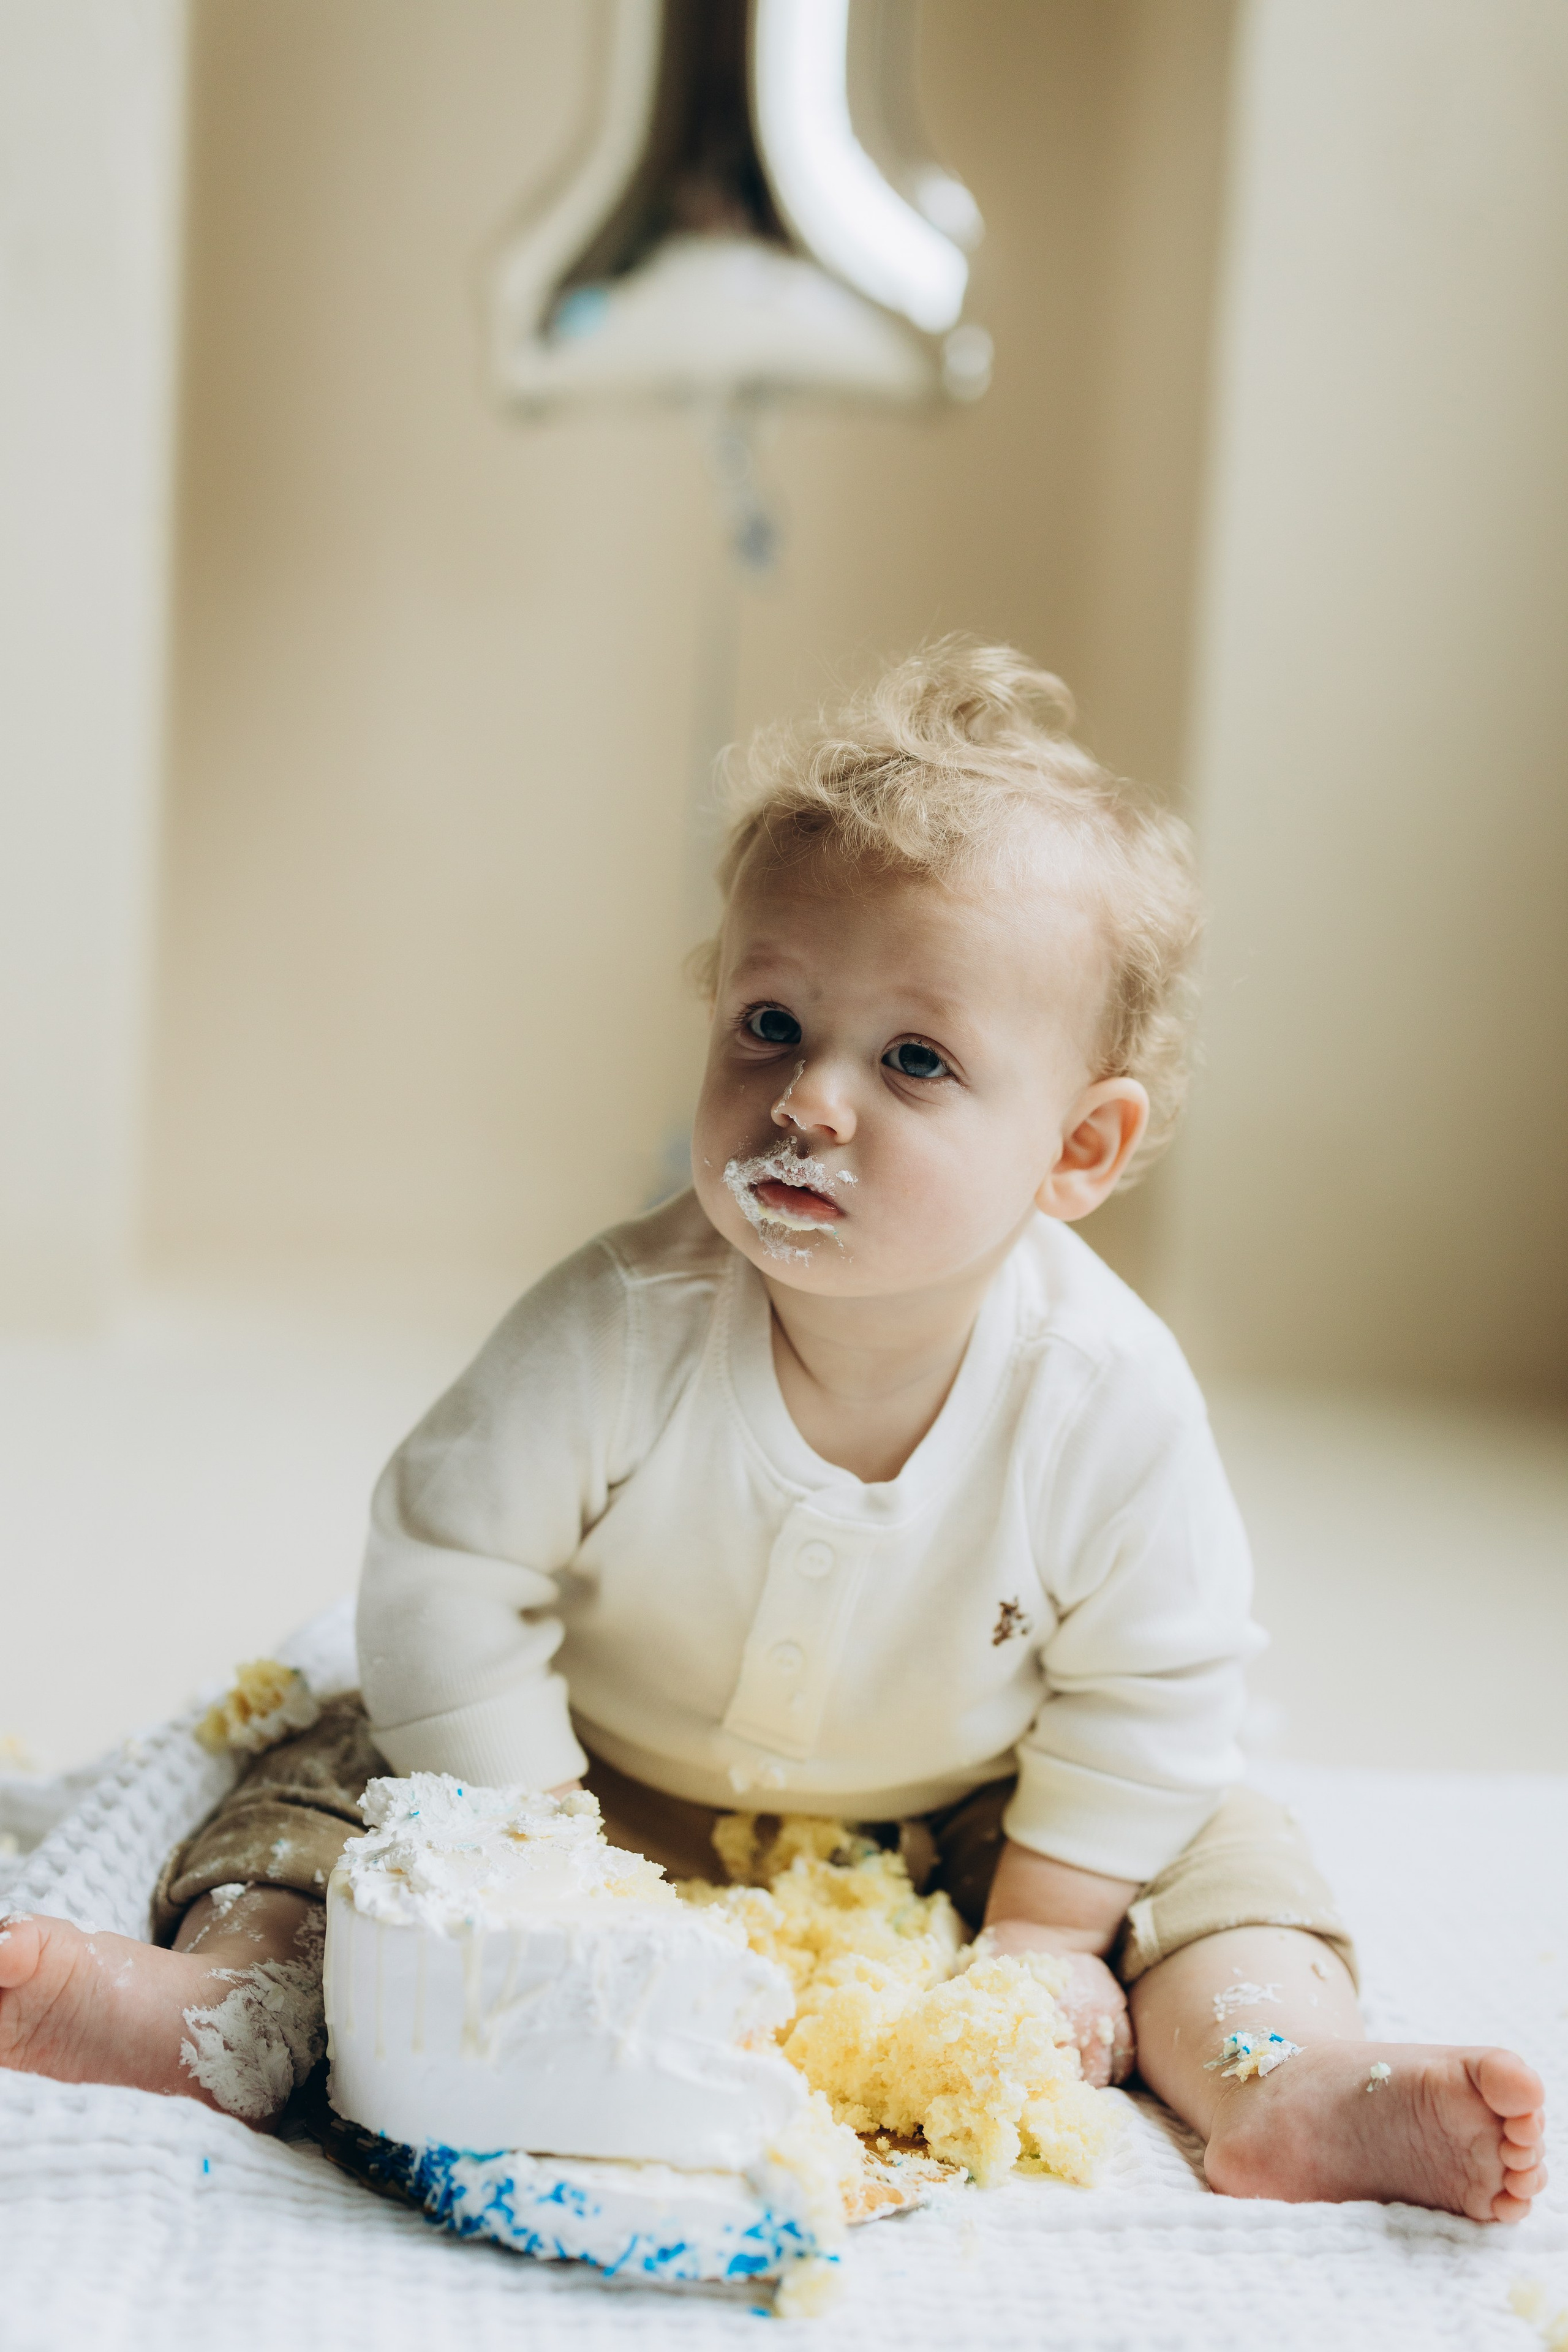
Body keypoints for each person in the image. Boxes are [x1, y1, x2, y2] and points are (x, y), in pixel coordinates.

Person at [0, 643, 1545, 2218]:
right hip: (596, 1759)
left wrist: (1045, 1927)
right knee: (334, 1777)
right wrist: (530, 1839)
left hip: (971, 1799)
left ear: (1076, 1147)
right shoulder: (616, 1325)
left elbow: (1157, 1671)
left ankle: (1278, 2074)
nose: (810, 1100)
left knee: (1215, 1844)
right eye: (768, 1023)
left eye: (915, 1060)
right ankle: (236, 2003)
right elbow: (448, 1567)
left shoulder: (1104, 1394)